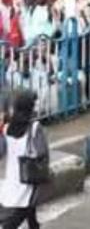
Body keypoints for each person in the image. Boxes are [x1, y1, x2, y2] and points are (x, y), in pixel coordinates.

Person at [0, 90, 48, 229]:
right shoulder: (34, 127)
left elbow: (1, 153)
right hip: (29, 176)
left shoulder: (6, 128)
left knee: (26, 205)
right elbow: (41, 152)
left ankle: (34, 225)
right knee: (24, 207)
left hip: (12, 177)